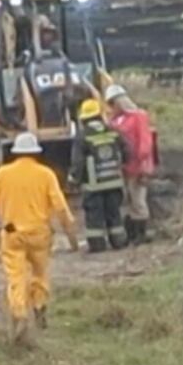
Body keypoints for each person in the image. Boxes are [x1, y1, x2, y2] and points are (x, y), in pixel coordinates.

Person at [0, 132, 78, 344]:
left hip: (12, 233)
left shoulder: (2, 174)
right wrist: (71, 235)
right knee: (40, 274)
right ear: (35, 153)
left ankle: (19, 314)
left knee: (16, 276)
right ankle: (39, 311)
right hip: (40, 233)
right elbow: (60, 207)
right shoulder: (46, 174)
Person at [69, 99, 129, 252]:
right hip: (114, 181)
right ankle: (119, 242)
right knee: (114, 214)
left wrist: (74, 179)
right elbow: (127, 152)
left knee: (94, 217)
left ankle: (98, 246)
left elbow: (78, 162)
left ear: (83, 119)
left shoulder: (83, 137)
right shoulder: (113, 131)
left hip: (94, 185)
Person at [105, 84, 156, 245]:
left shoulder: (138, 116)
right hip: (124, 167)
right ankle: (133, 232)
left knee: (138, 199)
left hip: (138, 165)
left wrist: (143, 163)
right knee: (129, 200)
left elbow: (145, 141)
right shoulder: (115, 120)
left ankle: (142, 232)